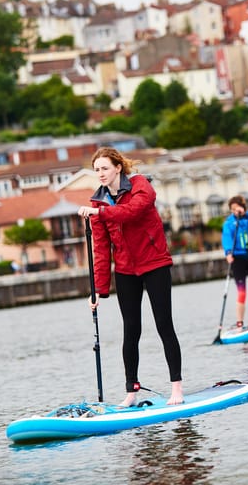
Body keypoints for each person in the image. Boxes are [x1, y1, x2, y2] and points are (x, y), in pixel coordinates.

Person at [78, 147, 183, 406]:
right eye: (97, 170)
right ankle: (131, 391)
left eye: (104, 168)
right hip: (126, 270)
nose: (100, 174)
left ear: (118, 168)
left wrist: (99, 213)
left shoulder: (140, 185)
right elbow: (101, 249)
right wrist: (99, 290)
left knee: (163, 324)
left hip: (155, 263)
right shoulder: (98, 202)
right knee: (131, 330)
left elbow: (132, 212)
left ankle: (177, 388)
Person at [221, 195, 248, 329]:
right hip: (238, 259)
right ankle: (240, 323)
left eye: (237, 208)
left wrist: (245, 214)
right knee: (242, 292)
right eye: (232, 209)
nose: (235, 211)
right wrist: (228, 253)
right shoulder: (229, 223)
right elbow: (227, 238)